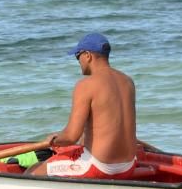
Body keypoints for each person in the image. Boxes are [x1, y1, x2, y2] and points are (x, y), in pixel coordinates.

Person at [26, 33, 139, 179]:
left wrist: (54, 140)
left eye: (77, 56)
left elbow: (71, 137)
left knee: (33, 171)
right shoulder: (127, 82)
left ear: (87, 55)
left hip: (100, 167)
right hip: (128, 166)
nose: (78, 61)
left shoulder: (85, 85)